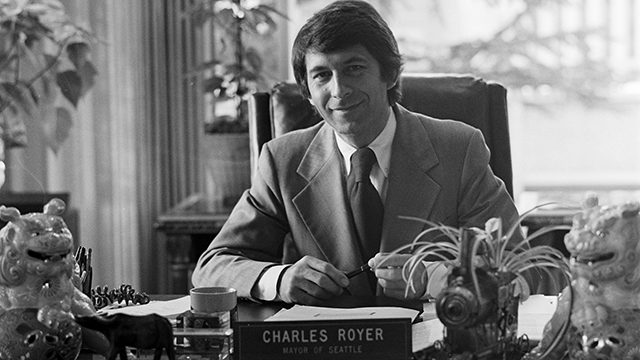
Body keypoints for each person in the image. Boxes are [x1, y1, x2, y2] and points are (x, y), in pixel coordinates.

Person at [192, 0, 524, 305]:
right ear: (307, 92)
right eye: (322, 75)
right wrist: (279, 279)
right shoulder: (282, 160)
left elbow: (530, 271)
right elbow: (212, 267)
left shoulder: (458, 148)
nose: (339, 90)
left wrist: (433, 278)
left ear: (389, 73)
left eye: (354, 68)